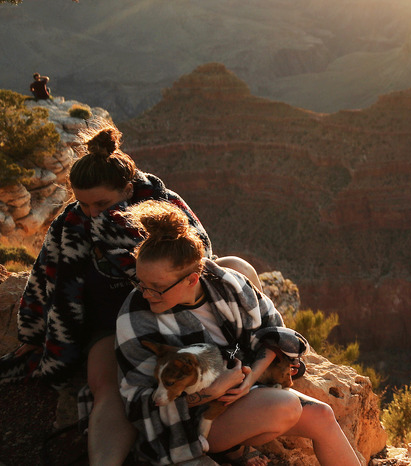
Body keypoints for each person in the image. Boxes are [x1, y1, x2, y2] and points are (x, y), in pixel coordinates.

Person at [0, 123, 256, 465]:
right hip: (109, 325)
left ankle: (246, 382)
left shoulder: (165, 207)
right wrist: (32, 334)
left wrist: (121, 233)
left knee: (238, 267)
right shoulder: (70, 225)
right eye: (83, 203)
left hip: (174, 312)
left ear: (128, 188)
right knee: (109, 389)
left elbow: (200, 257)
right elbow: (45, 279)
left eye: (102, 202)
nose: (91, 212)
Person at [117, 200, 362, 466]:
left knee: (323, 416)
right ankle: (225, 451)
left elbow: (272, 333)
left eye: (156, 287)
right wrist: (212, 392)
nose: (145, 293)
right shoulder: (136, 316)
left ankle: (234, 449)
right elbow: (139, 404)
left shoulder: (227, 285)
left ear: (192, 279)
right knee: (286, 407)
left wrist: (248, 380)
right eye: (140, 283)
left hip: (248, 394)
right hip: (187, 425)